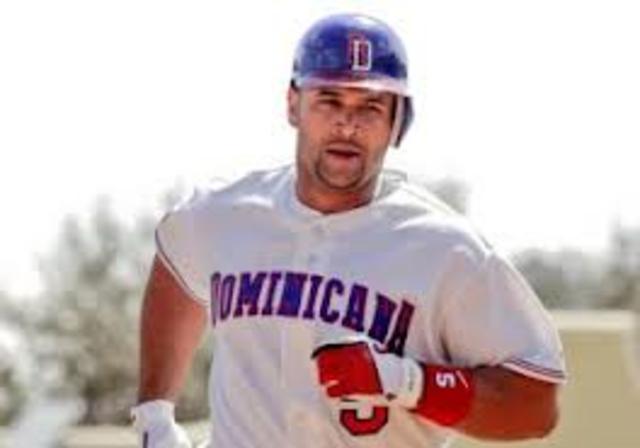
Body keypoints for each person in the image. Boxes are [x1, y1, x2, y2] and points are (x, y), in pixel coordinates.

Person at [131, 13, 567, 448]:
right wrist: (155, 415)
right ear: (293, 104)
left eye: (371, 107)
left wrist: (406, 381)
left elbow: (535, 405)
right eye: (329, 99)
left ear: (398, 122)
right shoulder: (225, 214)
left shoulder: (448, 250)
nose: (347, 124)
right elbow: (175, 263)